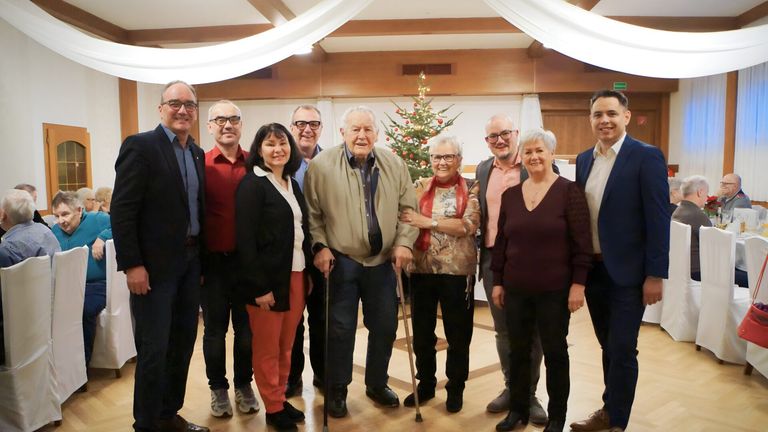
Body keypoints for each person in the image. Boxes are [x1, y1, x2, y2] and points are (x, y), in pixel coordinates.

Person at [304, 106, 418, 418]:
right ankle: (338, 389)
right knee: (339, 329)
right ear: (342, 133)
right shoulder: (322, 165)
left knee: (384, 325)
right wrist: (320, 246)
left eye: (368, 129)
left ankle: (376, 383)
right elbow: (313, 215)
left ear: (377, 134)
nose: (362, 135)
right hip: (342, 261)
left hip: (382, 263)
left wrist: (404, 242)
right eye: (355, 129)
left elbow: (409, 210)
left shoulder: (394, 164)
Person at [111, 80, 208, 432]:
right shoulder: (141, 146)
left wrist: (199, 264)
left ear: (196, 112)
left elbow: (195, 208)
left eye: (189, 105)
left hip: (190, 263)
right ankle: (147, 424)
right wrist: (132, 264)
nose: (183, 110)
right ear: (161, 108)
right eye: (175, 103)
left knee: (182, 345)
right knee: (154, 350)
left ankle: (170, 414)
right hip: (152, 270)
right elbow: (122, 210)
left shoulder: (196, 152)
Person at [572, 90, 669, 432]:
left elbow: (659, 219)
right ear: (591, 120)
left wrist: (656, 274)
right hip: (596, 270)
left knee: (623, 348)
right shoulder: (585, 160)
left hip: (629, 273)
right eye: (598, 114)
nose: (605, 120)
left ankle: (617, 422)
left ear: (626, 116)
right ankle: (608, 409)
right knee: (607, 346)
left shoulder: (646, 156)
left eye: (611, 113)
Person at [491, 129, 593, 432]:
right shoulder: (511, 195)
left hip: (555, 290)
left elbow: (582, 243)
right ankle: (518, 411)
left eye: (540, 151)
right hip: (516, 288)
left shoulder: (569, 191)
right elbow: (501, 244)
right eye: (528, 152)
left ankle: (557, 416)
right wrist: (497, 281)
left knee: (555, 352)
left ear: (551, 154)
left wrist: (579, 284)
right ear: (521, 157)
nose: (534, 157)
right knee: (518, 351)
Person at [235, 123, 310, 432]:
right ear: (259, 150)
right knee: (267, 348)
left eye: (282, 143)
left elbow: (300, 231)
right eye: (270, 144)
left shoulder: (291, 183)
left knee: (287, 345)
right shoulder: (253, 184)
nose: (277, 149)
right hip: (267, 282)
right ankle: (273, 407)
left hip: (295, 275)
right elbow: (245, 241)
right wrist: (259, 288)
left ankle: (278, 398)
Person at [475, 114, 548, 424]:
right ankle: (510, 388)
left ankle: (529, 395)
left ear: (516, 133)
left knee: (532, 332)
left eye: (505, 133)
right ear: (487, 142)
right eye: (493, 136)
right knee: (504, 330)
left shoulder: (535, 164)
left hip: (530, 262)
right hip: (494, 260)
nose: (499, 140)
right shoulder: (483, 169)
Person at [399, 134, 480, 413]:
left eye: (448, 157)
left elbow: (467, 226)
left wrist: (428, 221)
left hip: (458, 274)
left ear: (459, 160)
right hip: (421, 270)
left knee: (458, 335)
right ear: (429, 159)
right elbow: (407, 219)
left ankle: (455, 388)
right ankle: (426, 384)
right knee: (422, 334)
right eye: (436, 157)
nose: (442, 162)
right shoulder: (419, 186)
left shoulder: (471, 187)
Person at [202, 100, 258, 418]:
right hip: (213, 265)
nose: (227, 125)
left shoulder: (256, 164)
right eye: (220, 120)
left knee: (246, 331)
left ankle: (243, 384)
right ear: (210, 127)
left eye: (234, 119)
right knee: (214, 331)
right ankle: (218, 388)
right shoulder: (201, 164)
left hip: (247, 264)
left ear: (241, 125)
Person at [286, 104, 326, 397]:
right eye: (301, 123)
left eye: (313, 124)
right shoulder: (281, 161)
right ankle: (292, 377)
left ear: (321, 128)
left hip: (325, 253)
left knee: (323, 318)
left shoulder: (332, 161)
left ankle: (324, 376)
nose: (307, 129)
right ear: (292, 127)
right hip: (293, 255)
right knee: (294, 321)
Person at [51, 191, 112, 365]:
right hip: (67, 286)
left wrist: (103, 237)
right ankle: (60, 364)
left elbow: (121, 225)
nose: (61, 221)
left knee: (83, 310)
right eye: (56, 216)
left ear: (79, 210)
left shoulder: (97, 219)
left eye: (65, 214)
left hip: (96, 285)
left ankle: (81, 366)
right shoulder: (55, 230)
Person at [0, 189, 60, 365]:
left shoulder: (8, 248)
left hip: (25, 323)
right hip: (50, 308)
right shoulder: (44, 231)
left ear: (3, 214)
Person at [673, 175, 749, 288]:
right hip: (700, 272)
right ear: (700, 192)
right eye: (706, 193)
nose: (707, 197)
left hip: (683, 268)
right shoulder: (697, 215)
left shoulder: (678, 210)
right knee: (751, 278)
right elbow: (718, 247)